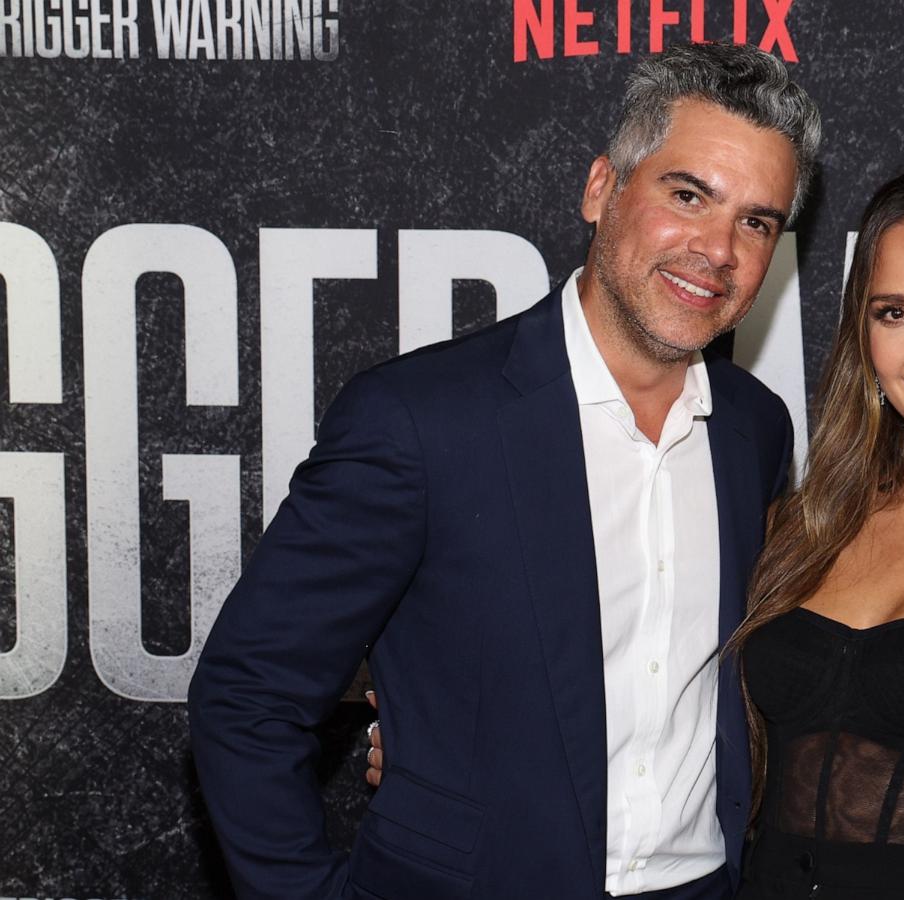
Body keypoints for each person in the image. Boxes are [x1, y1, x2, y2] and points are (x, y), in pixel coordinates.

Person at [370, 157, 904, 897]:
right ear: (864, 339)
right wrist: (439, 740)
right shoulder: (799, 529)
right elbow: (639, 670)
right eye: (893, 312)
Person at [187, 43, 822, 900]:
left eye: (757, 221)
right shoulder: (421, 419)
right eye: (687, 194)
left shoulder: (754, 431)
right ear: (601, 188)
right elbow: (248, 695)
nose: (717, 248)